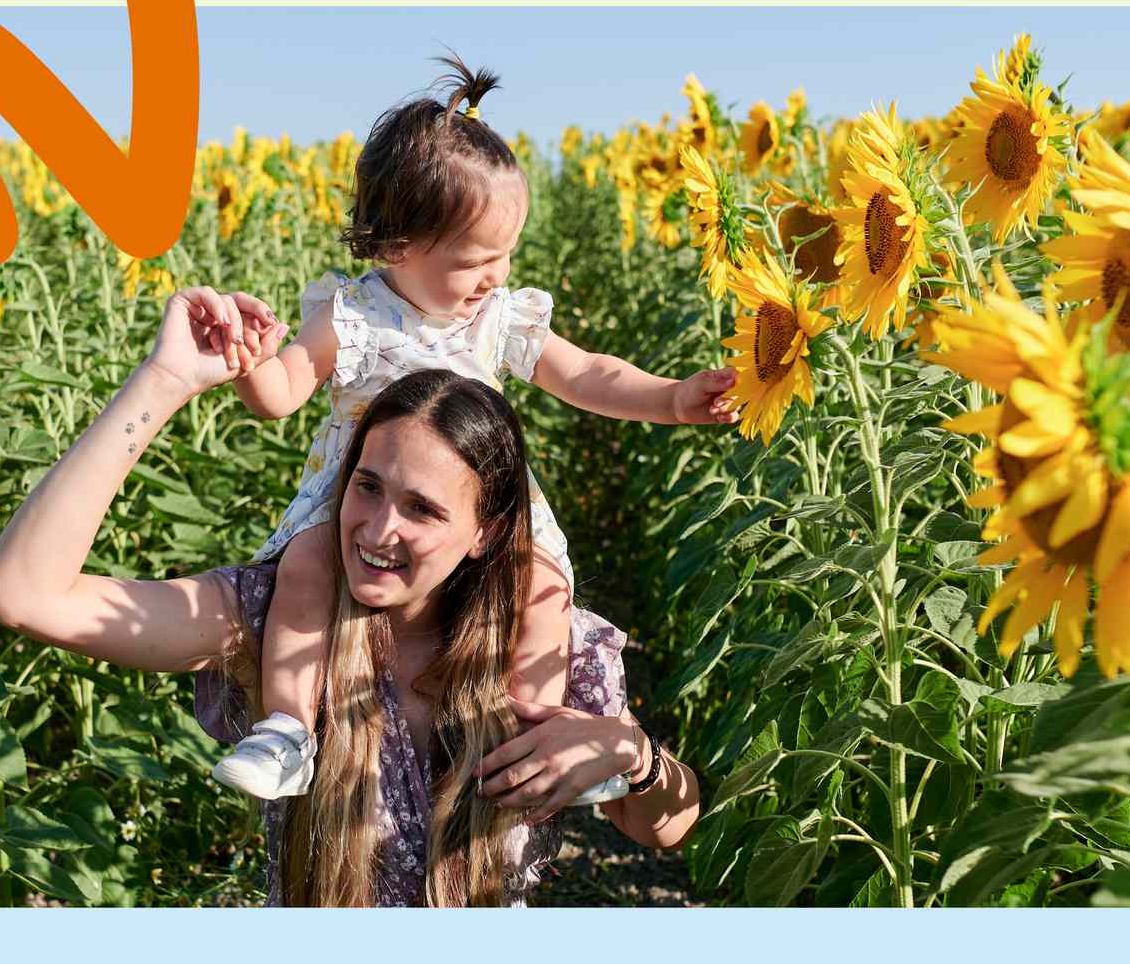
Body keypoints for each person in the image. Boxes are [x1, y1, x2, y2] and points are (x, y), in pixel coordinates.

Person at [0, 288, 701, 906]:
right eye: (367, 486)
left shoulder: (543, 643)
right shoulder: (277, 620)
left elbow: (669, 824)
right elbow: (22, 592)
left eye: (423, 509)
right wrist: (165, 378)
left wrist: (634, 753)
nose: (379, 529)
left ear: (487, 531)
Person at [204, 51, 738, 805]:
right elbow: (284, 389)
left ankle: (542, 724)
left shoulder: (495, 316)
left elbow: (584, 373)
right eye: (477, 259)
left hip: (477, 502)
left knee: (543, 582)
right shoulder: (353, 314)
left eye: (507, 255)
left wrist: (674, 398)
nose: (497, 275)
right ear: (398, 244)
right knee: (303, 569)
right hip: (366, 500)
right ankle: (289, 726)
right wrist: (250, 362)